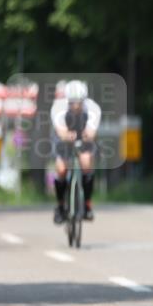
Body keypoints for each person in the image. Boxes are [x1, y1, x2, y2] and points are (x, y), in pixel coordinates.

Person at [51, 80, 101, 223]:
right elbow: (61, 132)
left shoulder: (93, 108)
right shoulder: (58, 107)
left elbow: (91, 132)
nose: (76, 105)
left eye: (79, 102)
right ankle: (60, 207)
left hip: (84, 136)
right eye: (72, 102)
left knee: (86, 163)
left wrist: (86, 136)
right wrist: (67, 136)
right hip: (64, 138)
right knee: (61, 169)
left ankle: (87, 205)